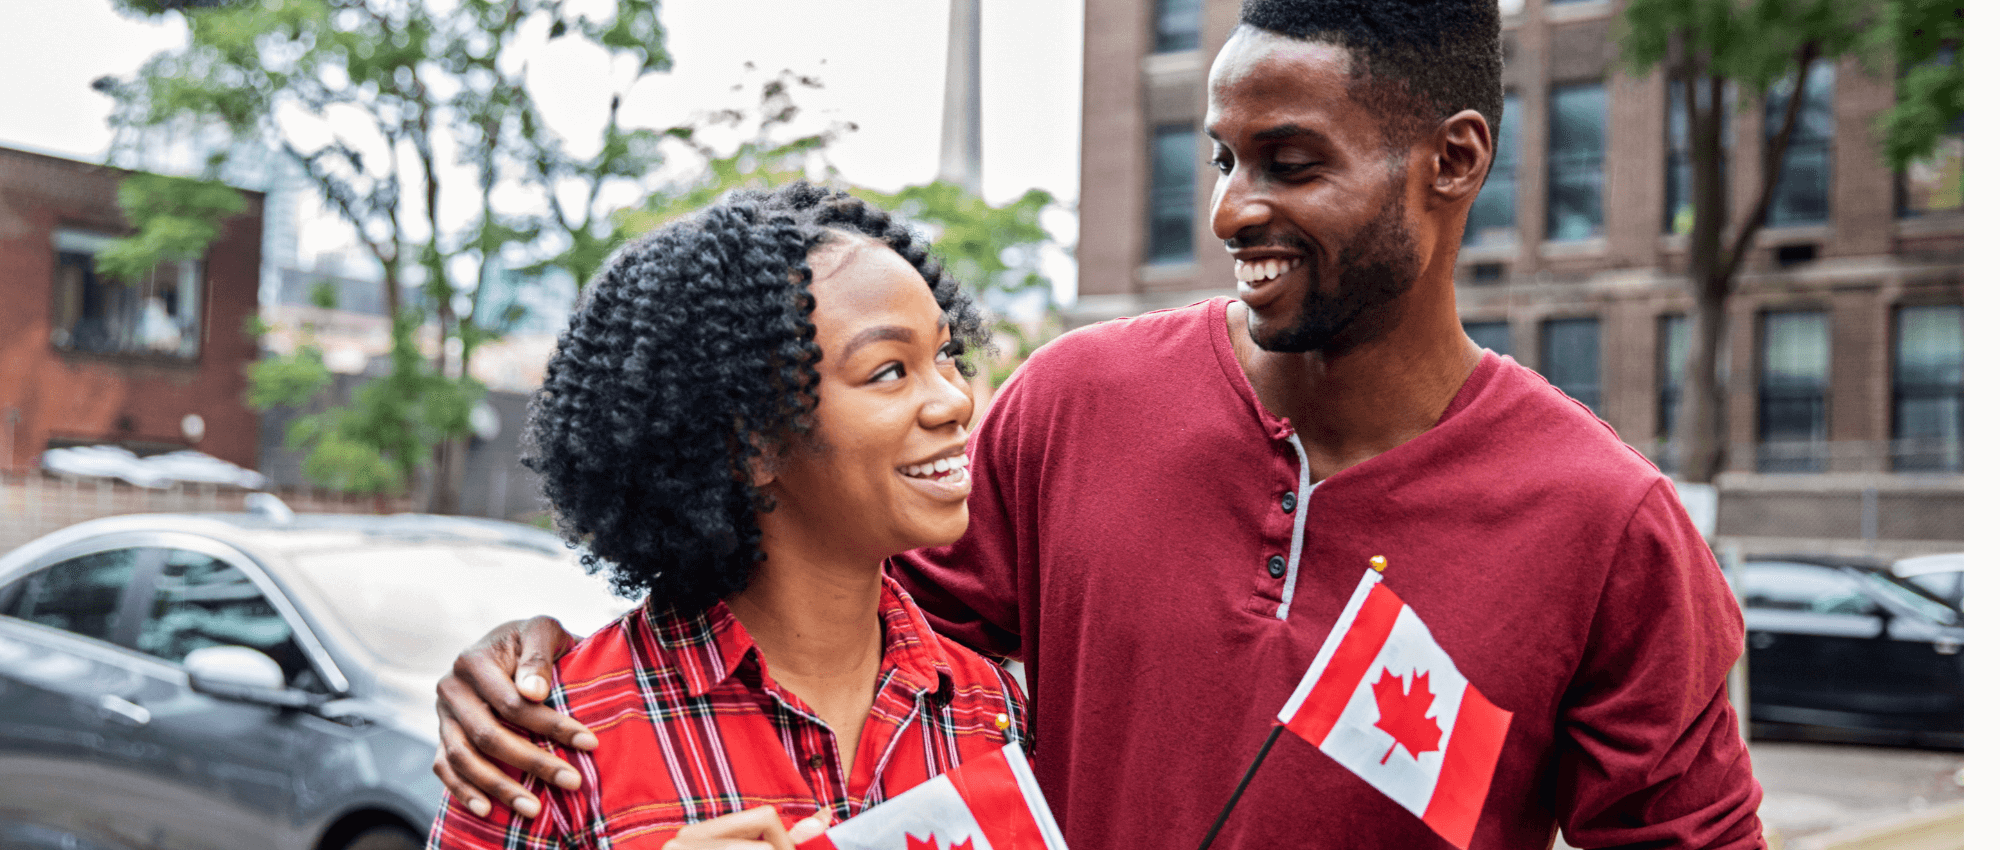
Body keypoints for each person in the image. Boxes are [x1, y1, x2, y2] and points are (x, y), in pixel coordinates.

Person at [433, 2, 1765, 848]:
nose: (1236, 209)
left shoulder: (1609, 526)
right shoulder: (1073, 406)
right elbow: (816, 588)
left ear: (1455, 160)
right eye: (1223, 157)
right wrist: (544, 652)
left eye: (1291, 161)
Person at [426, 184, 1028, 850]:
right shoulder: (552, 747)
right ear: (753, 442)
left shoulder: (992, 713)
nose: (954, 401)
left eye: (946, 354)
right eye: (889, 370)